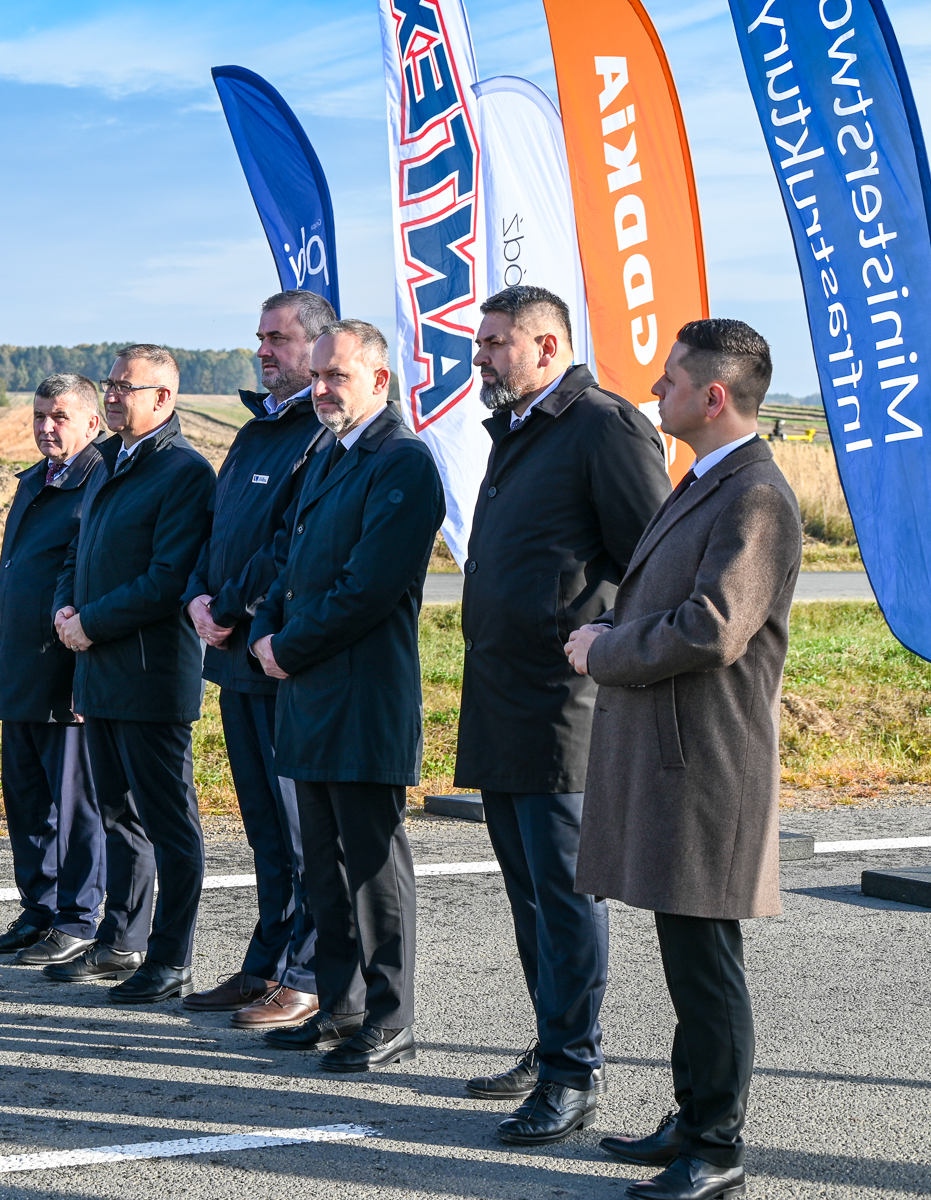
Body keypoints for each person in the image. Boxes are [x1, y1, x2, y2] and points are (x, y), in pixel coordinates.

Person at [566, 319, 800, 1200]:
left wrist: (605, 648)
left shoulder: (757, 496)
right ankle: (691, 1115)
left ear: (713, 395)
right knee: (683, 950)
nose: (654, 391)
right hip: (673, 757)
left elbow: (714, 627)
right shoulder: (706, 478)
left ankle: (718, 1147)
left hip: (708, 764)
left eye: (668, 380)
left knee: (706, 961)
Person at [455, 285, 670, 1144]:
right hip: (502, 698)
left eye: (497, 343)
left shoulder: (602, 426)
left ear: (548, 347)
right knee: (527, 894)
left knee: (566, 894)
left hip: (564, 705)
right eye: (482, 342)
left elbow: (654, 555)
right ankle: (551, 1046)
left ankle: (574, 1074)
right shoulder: (519, 427)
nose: (481, 357)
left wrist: (602, 637)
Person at [248, 319, 443, 1073]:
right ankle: (340, 1007)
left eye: (338, 377)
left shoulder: (402, 463)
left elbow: (367, 588)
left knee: (371, 869)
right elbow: (286, 559)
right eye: (319, 375)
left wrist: (285, 647)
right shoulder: (325, 454)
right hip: (305, 695)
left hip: (360, 700)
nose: (322, 388)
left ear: (379, 381)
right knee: (322, 869)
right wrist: (266, 627)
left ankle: (390, 1018)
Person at [180, 289, 333, 1028]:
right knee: (265, 833)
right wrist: (197, 598)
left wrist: (232, 606)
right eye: (260, 337)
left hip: (277, 659)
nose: (263, 349)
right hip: (230, 661)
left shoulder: (316, 436)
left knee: (301, 832)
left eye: (278, 338)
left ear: (318, 347)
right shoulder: (253, 434)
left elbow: (289, 550)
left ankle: (307, 975)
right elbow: (214, 533)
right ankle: (263, 963)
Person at [48, 343, 216, 1003]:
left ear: (164, 399)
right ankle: (121, 940)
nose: (113, 395)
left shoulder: (182, 472)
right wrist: (67, 605)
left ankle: (171, 957)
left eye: (126, 387)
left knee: (169, 823)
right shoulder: (109, 464)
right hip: (101, 672)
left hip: (150, 676)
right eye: (110, 385)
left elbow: (166, 579)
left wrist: (89, 621)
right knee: (117, 815)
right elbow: (78, 550)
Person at [0, 374, 108, 967]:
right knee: (26, 800)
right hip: (17, 664)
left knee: (74, 805)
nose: (46, 427)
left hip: (64, 670)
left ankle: (78, 918)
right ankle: (40, 907)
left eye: (59, 417)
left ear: (91, 423)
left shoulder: (97, 483)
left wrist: (82, 673)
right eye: (38, 416)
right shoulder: (36, 481)